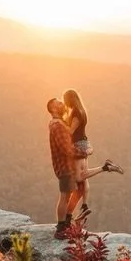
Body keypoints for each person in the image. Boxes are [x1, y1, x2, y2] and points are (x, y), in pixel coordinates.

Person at [47, 96, 80, 231]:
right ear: (54, 108)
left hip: (64, 166)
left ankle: (65, 222)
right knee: (65, 196)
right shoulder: (58, 126)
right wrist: (82, 152)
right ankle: (61, 227)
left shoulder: (56, 123)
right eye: (59, 103)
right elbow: (66, 149)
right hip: (65, 166)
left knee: (70, 194)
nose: (62, 104)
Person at [63, 88, 92, 223]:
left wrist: (60, 124)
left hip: (78, 145)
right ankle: (84, 205)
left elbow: (71, 131)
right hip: (84, 143)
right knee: (83, 178)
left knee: (80, 176)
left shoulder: (75, 113)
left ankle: (104, 167)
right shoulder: (83, 111)